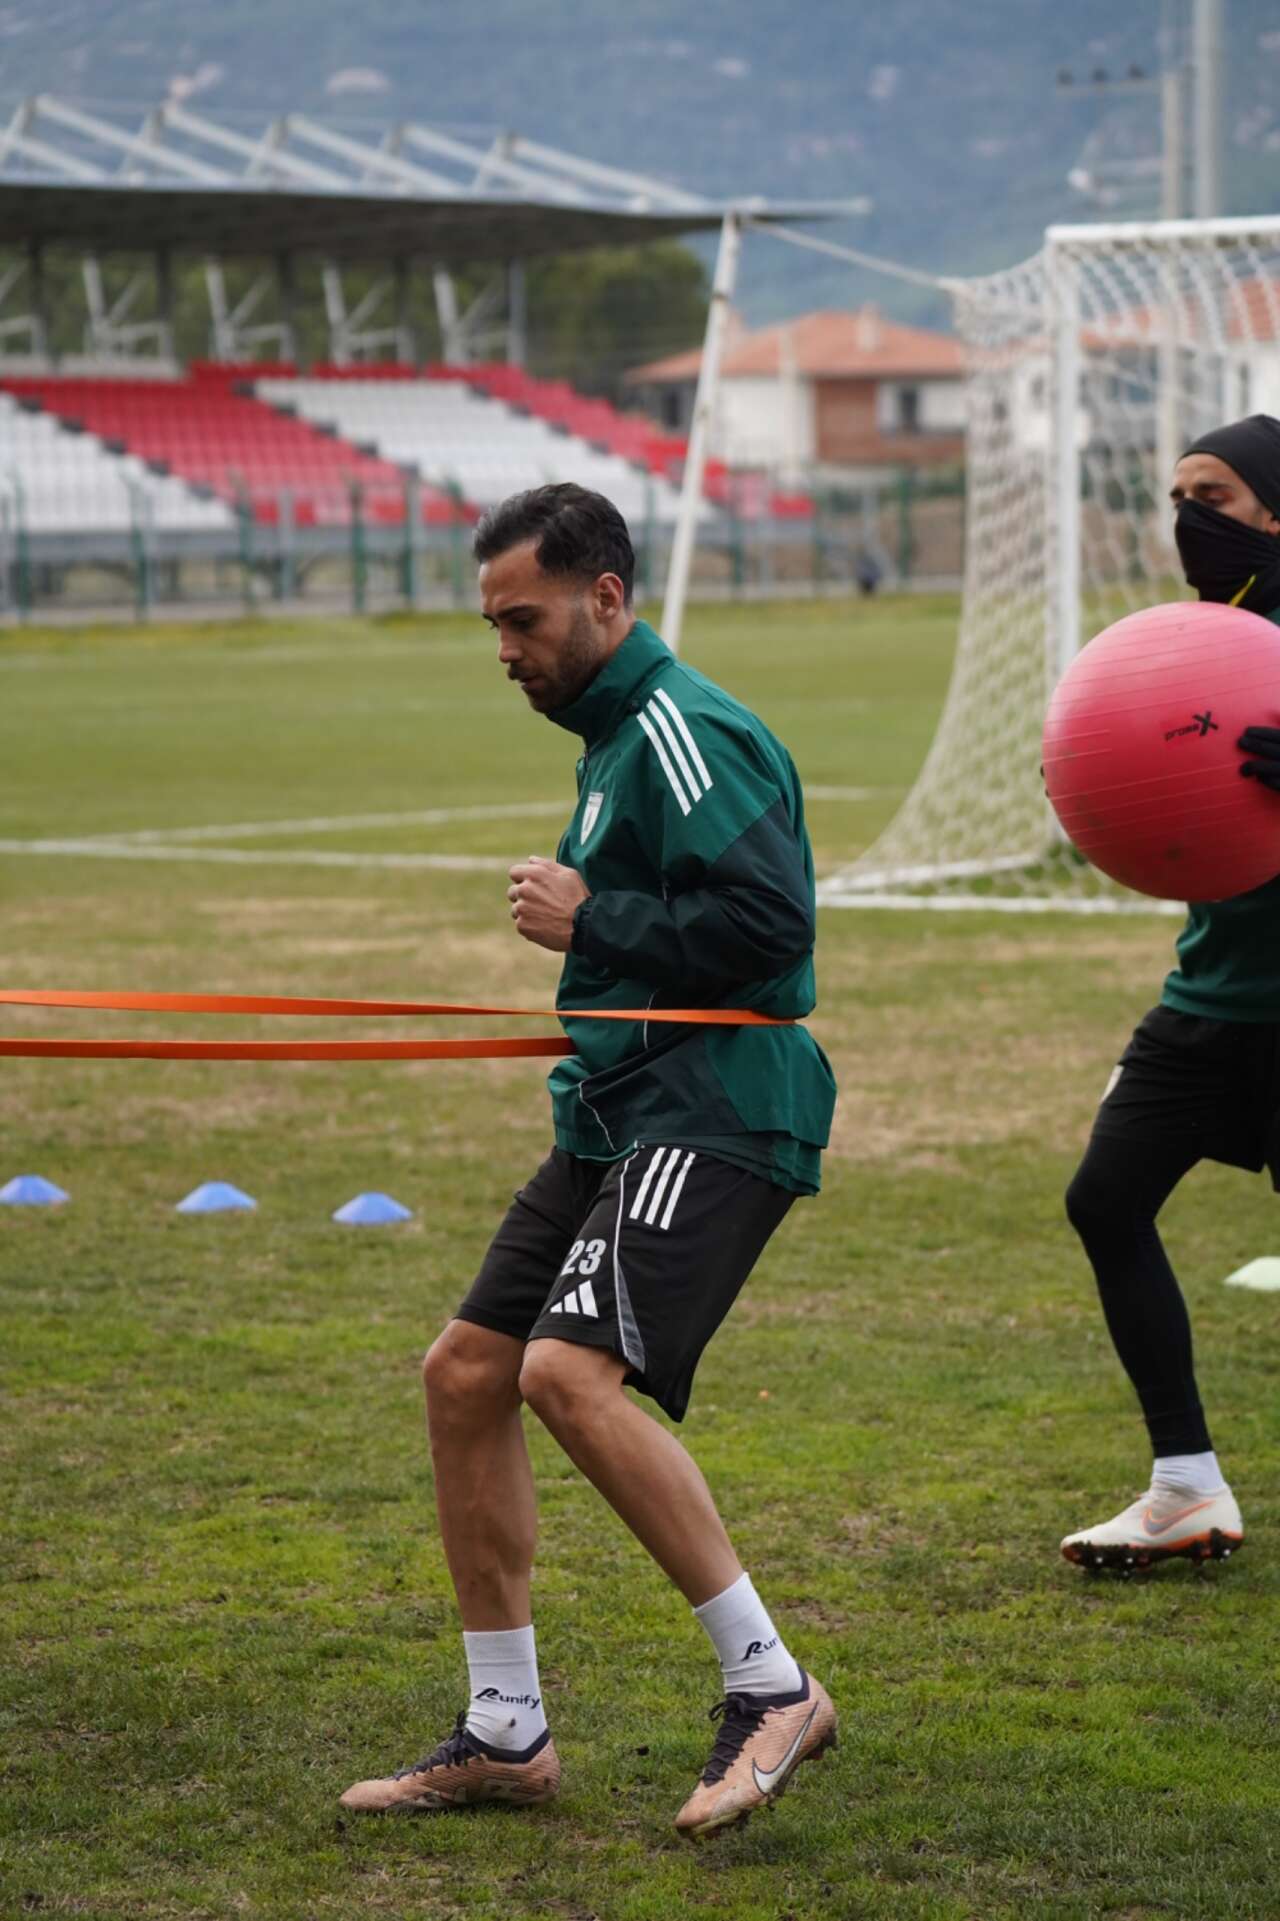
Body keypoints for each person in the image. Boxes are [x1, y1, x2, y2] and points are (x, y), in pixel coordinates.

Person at [341, 483, 838, 1834]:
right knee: (466, 1374)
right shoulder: (614, 735)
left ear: (607, 599)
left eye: (526, 618)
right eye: (494, 622)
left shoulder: (679, 726)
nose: (506, 647)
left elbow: (770, 924)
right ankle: (505, 1731)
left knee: (566, 1372)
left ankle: (772, 1683)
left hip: (718, 1104)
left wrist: (591, 915)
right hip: (619, 1106)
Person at [1061, 414, 1280, 1571]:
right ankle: (1183, 1483)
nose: (1189, 519)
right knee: (1103, 1199)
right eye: (1176, 496)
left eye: (1215, 495)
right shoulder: (1201, 643)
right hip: (1207, 1002)